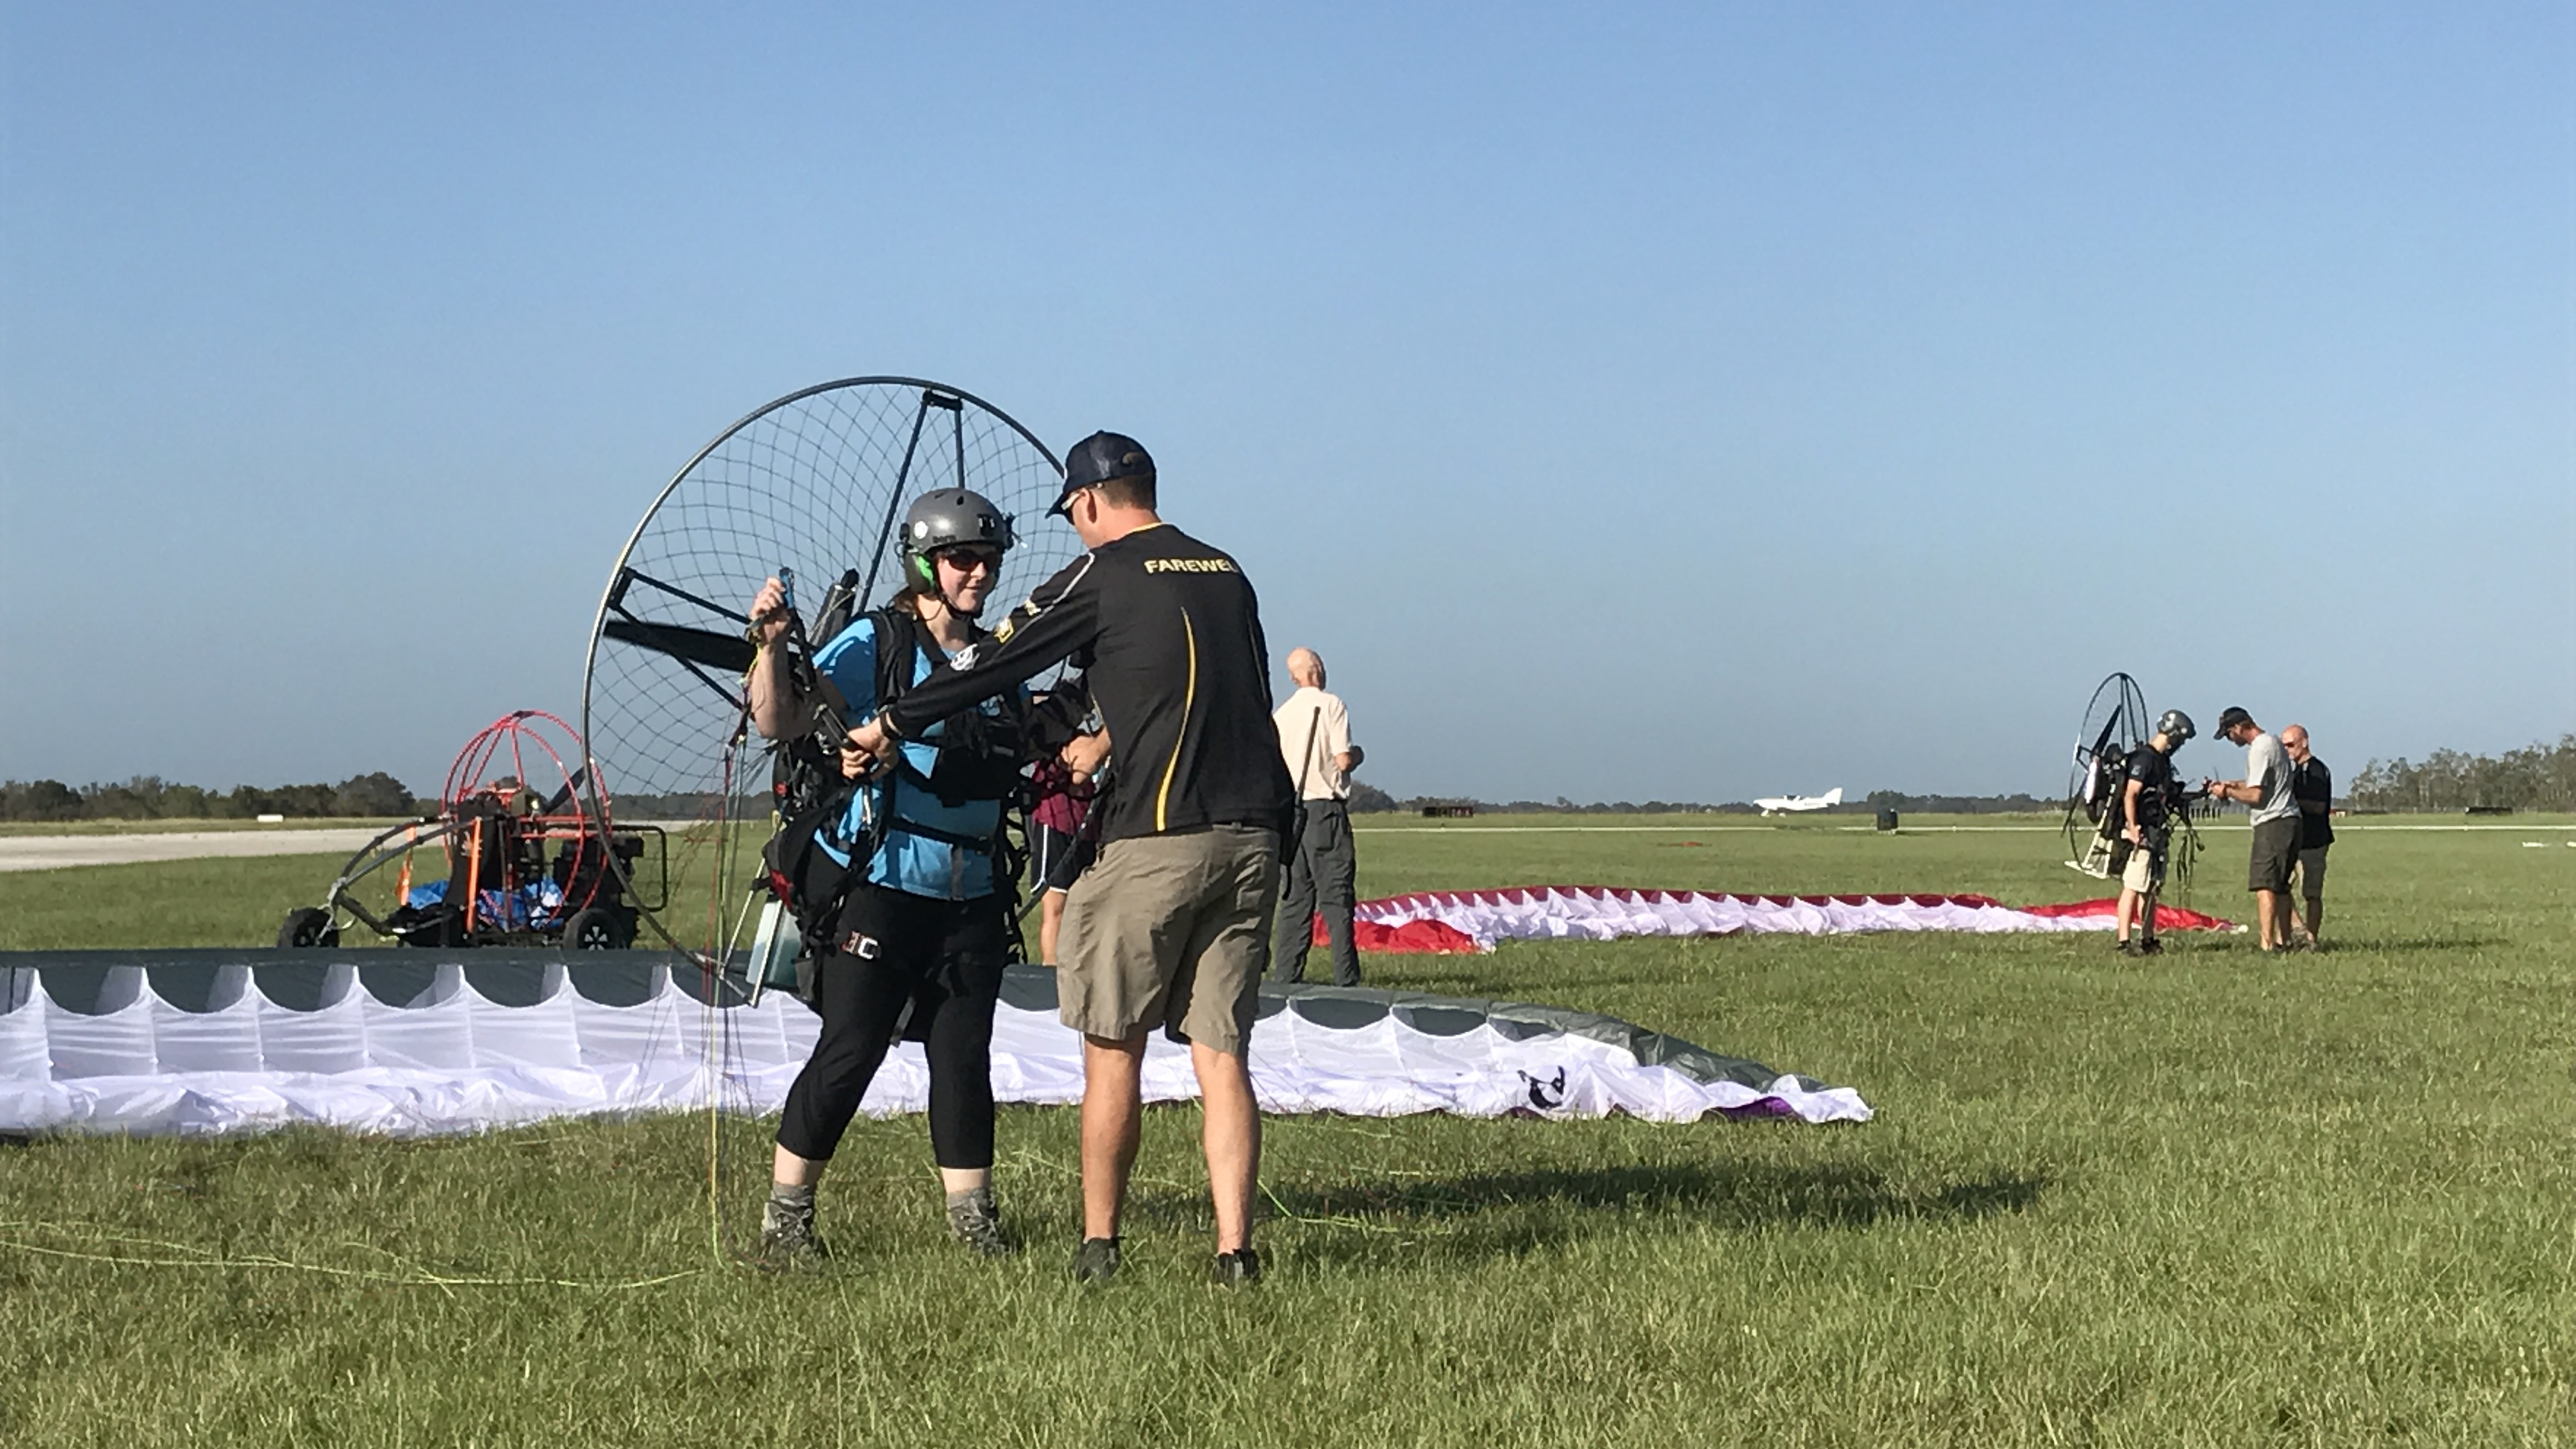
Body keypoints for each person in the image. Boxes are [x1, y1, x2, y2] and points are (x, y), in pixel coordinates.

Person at [844, 431, 1294, 1286]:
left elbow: (993, 658)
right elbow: (1216, 693)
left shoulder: (1103, 572)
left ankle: (1100, 1249)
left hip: (1155, 840)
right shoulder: (1227, 573)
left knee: (1112, 1046)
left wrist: (892, 722)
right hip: (1254, 837)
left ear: (1089, 504)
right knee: (1223, 1055)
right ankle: (1236, 1253)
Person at [741, 486, 1047, 1268]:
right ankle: (786, 1221)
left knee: (963, 1058)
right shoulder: (877, 643)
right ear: (925, 563)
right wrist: (771, 646)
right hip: (881, 881)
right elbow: (780, 721)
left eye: (989, 559)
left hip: (973, 891)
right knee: (853, 1047)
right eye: (962, 559)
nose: (979, 574)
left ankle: (974, 1226)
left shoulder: (999, 659)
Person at [1269, 647, 1365, 986]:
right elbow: (1342, 760)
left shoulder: (1281, 716)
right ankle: (1346, 979)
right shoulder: (1331, 705)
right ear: (1317, 670)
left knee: (1295, 900)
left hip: (1291, 816)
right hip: (1326, 810)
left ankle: (1285, 980)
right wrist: (1358, 755)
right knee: (1336, 899)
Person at [2204, 705, 2303, 952]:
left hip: (2273, 822)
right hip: (2289, 820)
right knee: (2280, 885)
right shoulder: (2273, 742)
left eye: (2229, 734)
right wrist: (2229, 784)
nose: (2230, 739)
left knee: (2265, 885)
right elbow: (2256, 783)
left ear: (2239, 727)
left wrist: (2226, 793)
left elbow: (2256, 796)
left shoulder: (2259, 748)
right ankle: (2284, 941)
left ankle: (2267, 944)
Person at [2113, 710, 2196, 957]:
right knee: (2133, 885)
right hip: (2142, 832)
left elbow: (2169, 796)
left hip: (2157, 831)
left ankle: (2148, 937)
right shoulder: (2144, 759)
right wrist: (2132, 827)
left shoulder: (2162, 762)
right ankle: (2124, 941)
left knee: (2152, 887)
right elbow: (2131, 794)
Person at [2282, 723, 2333, 946]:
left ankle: (2312, 938)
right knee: (2278, 886)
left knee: (2311, 893)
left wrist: (2291, 801)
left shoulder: (2317, 770)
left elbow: (2319, 807)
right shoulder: (2294, 772)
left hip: (2313, 841)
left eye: (2291, 745)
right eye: (2284, 746)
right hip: (2293, 840)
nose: (2288, 750)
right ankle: (2296, 928)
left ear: (2304, 742)